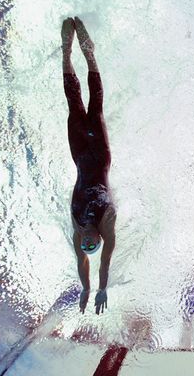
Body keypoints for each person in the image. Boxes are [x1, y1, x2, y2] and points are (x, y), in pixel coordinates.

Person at [61, 17, 116, 315]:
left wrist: (85, 286)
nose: (88, 240)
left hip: (79, 154)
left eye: (86, 243)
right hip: (100, 154)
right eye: (92, 243)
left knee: (72, 103)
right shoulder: (107, 223)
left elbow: (81, 262)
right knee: (96, 103)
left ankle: (66, 54)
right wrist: (99, 286)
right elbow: (102, 261)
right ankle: (89, 55)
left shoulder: (77, 227)